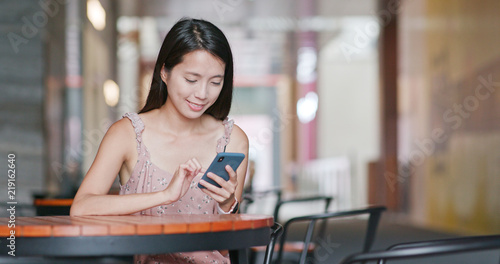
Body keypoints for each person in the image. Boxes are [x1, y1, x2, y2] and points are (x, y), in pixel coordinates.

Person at [70, 17, 249, 264]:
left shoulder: (232, 139)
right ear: (164, 72)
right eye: (191, 80)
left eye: (215, 82)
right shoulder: (128, 134)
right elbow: (81, 207)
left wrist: (228, 205)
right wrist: (165, 195)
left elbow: (225, 250)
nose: (202, 94)